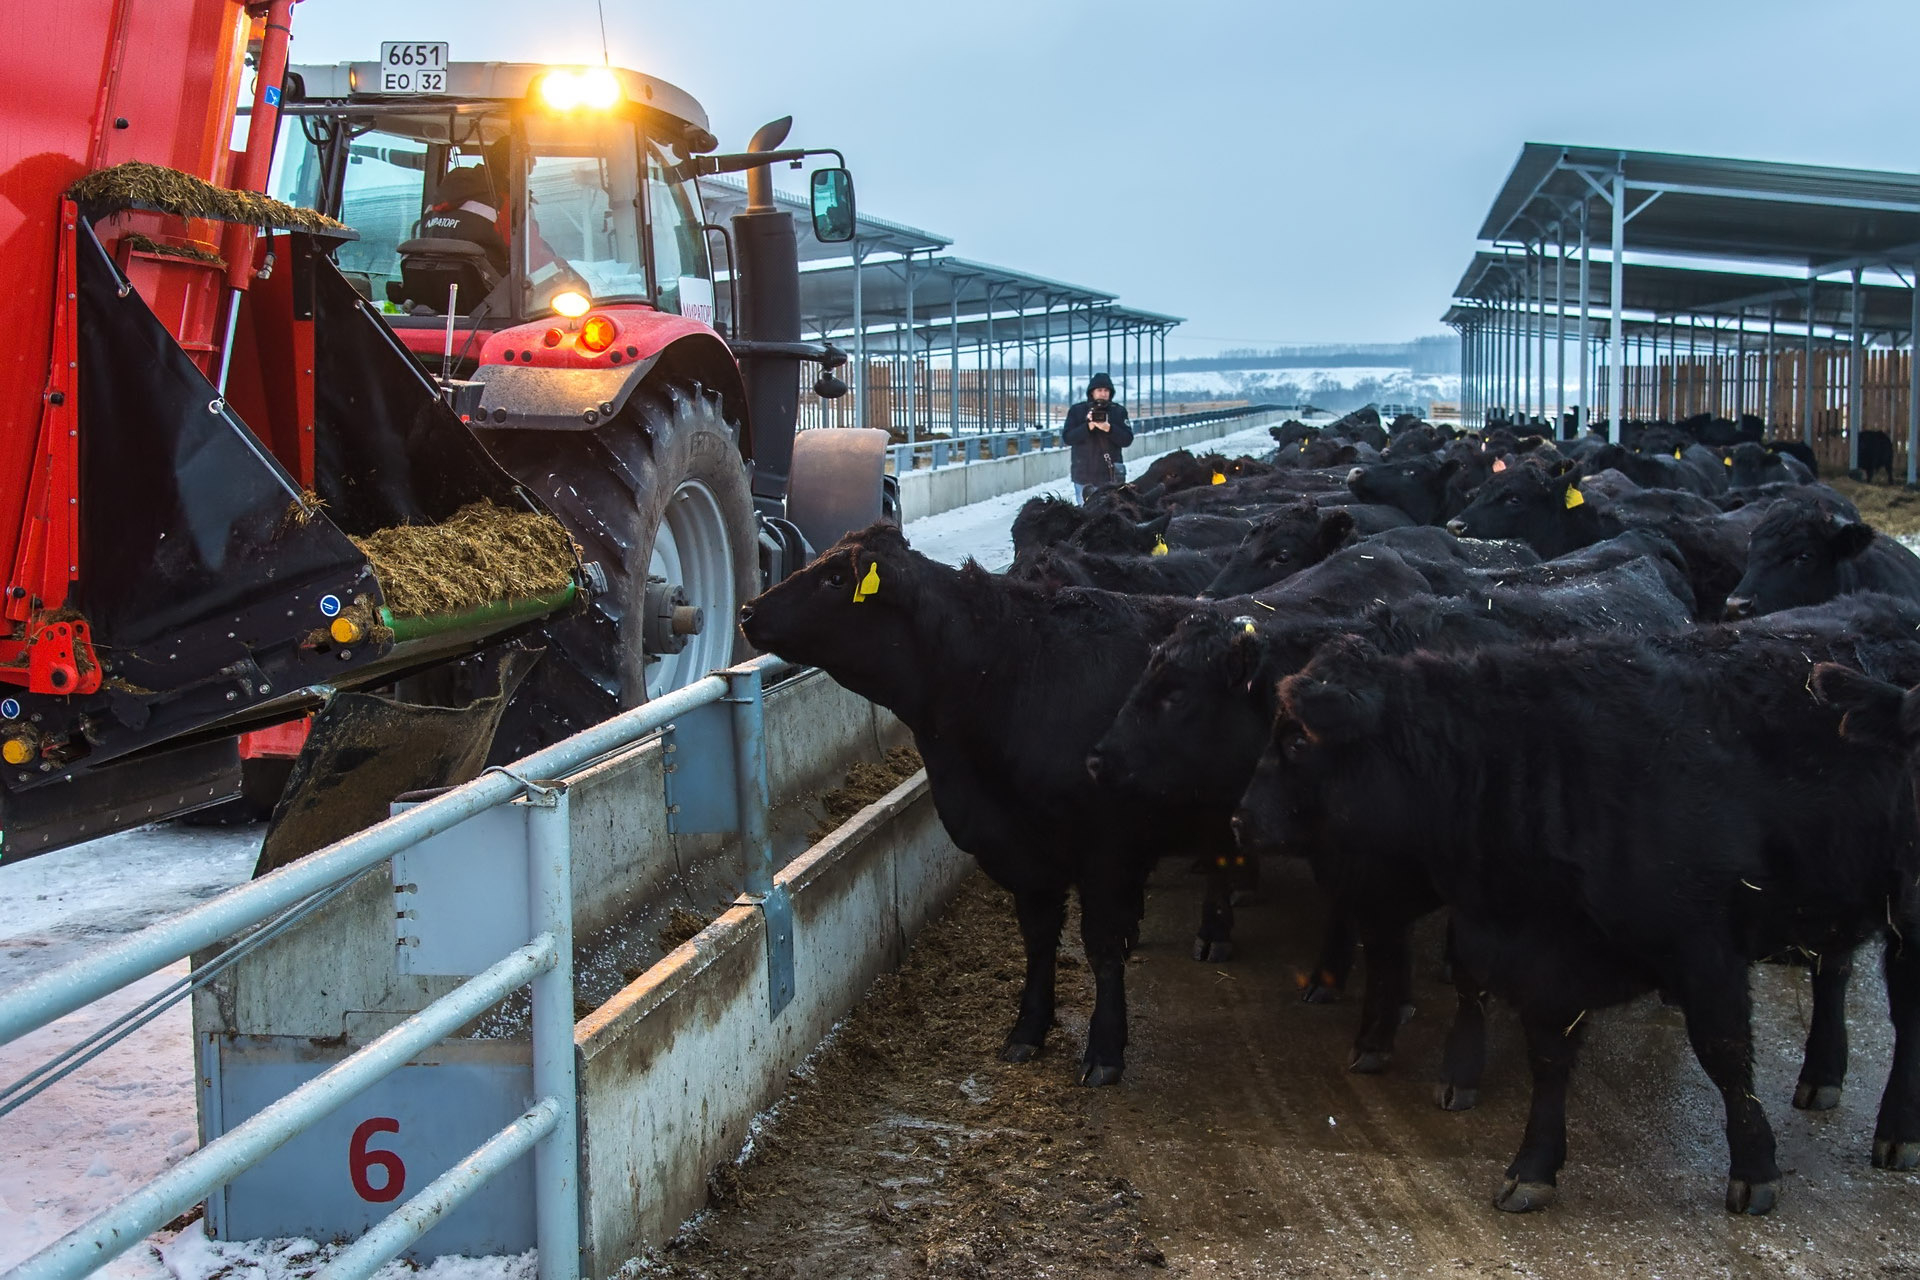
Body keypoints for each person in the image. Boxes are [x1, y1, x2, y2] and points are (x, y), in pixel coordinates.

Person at [419, 164, 510, 277]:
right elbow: (529, 255)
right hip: (487, 288)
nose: (534, 162)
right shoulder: (505, 204)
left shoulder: (434, 205)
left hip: (432, 283)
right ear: (512, 168)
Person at [1062, 372, 1133, 503]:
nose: (1103, 393)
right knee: (1086, 514)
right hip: (1083, 476)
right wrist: (1088, 427)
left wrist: (1109, 428)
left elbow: (1127, 439)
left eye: (1106, 390)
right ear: (1092, 392)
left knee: (1110, 514)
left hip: (1110, 476)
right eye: (1099, 390)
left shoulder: (1118, 412)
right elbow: (1067, 438)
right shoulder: (1077, 411)